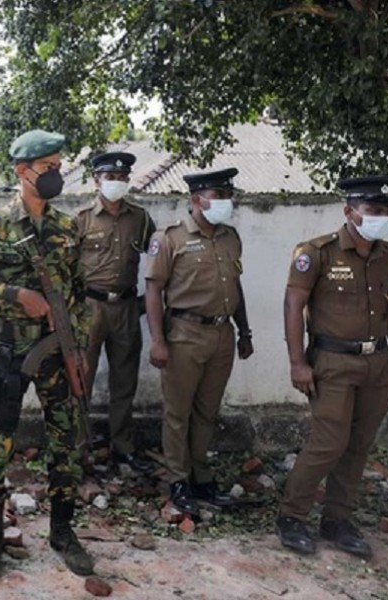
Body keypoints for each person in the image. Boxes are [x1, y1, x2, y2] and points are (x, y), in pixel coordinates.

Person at [0, 129, 94, 585]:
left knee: (66, 445)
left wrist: (81, 347)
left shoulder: (68, 227)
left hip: (58, 354)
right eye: (47, 168)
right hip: (12, 352)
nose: (55, 175)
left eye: (57, 167)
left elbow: (78, 293)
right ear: (22, 171)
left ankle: (63, 533)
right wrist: (16, 294)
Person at [276, 176, 388, 559]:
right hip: (332, 362)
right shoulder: (317, 253)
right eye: (373, 210)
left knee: (359, 444)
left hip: (378, 363)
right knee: (329, 441)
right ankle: (292, 516)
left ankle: (337, 520)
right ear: (349, 211)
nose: (382, 217)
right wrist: (297, 361)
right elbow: (292, 306)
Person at [144, 168, 253, 517]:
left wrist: (244, 330)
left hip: (222, 335)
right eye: (218, 197)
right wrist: (158, 341)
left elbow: (235, 287)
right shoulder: (171, 238)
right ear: (196, 200)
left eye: (226, 196)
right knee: (178, 413)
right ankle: (178, 480)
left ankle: (201, 476)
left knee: (207, 412)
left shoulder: (230, 237)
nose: (225, 203)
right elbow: (153, 289)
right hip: (184, 335)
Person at [75, 151, 156, 473]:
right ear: (97, 180)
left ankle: (122, 447)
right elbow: (64, 268)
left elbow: (157, 260)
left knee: (125, 382)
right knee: (80, 380)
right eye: (110, 177)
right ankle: (79, 450)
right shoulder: (81, 220)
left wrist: (142, 304)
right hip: (89, 307)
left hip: (125, 307)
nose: (117, 183)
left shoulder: (141, 219)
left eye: (123, 178)